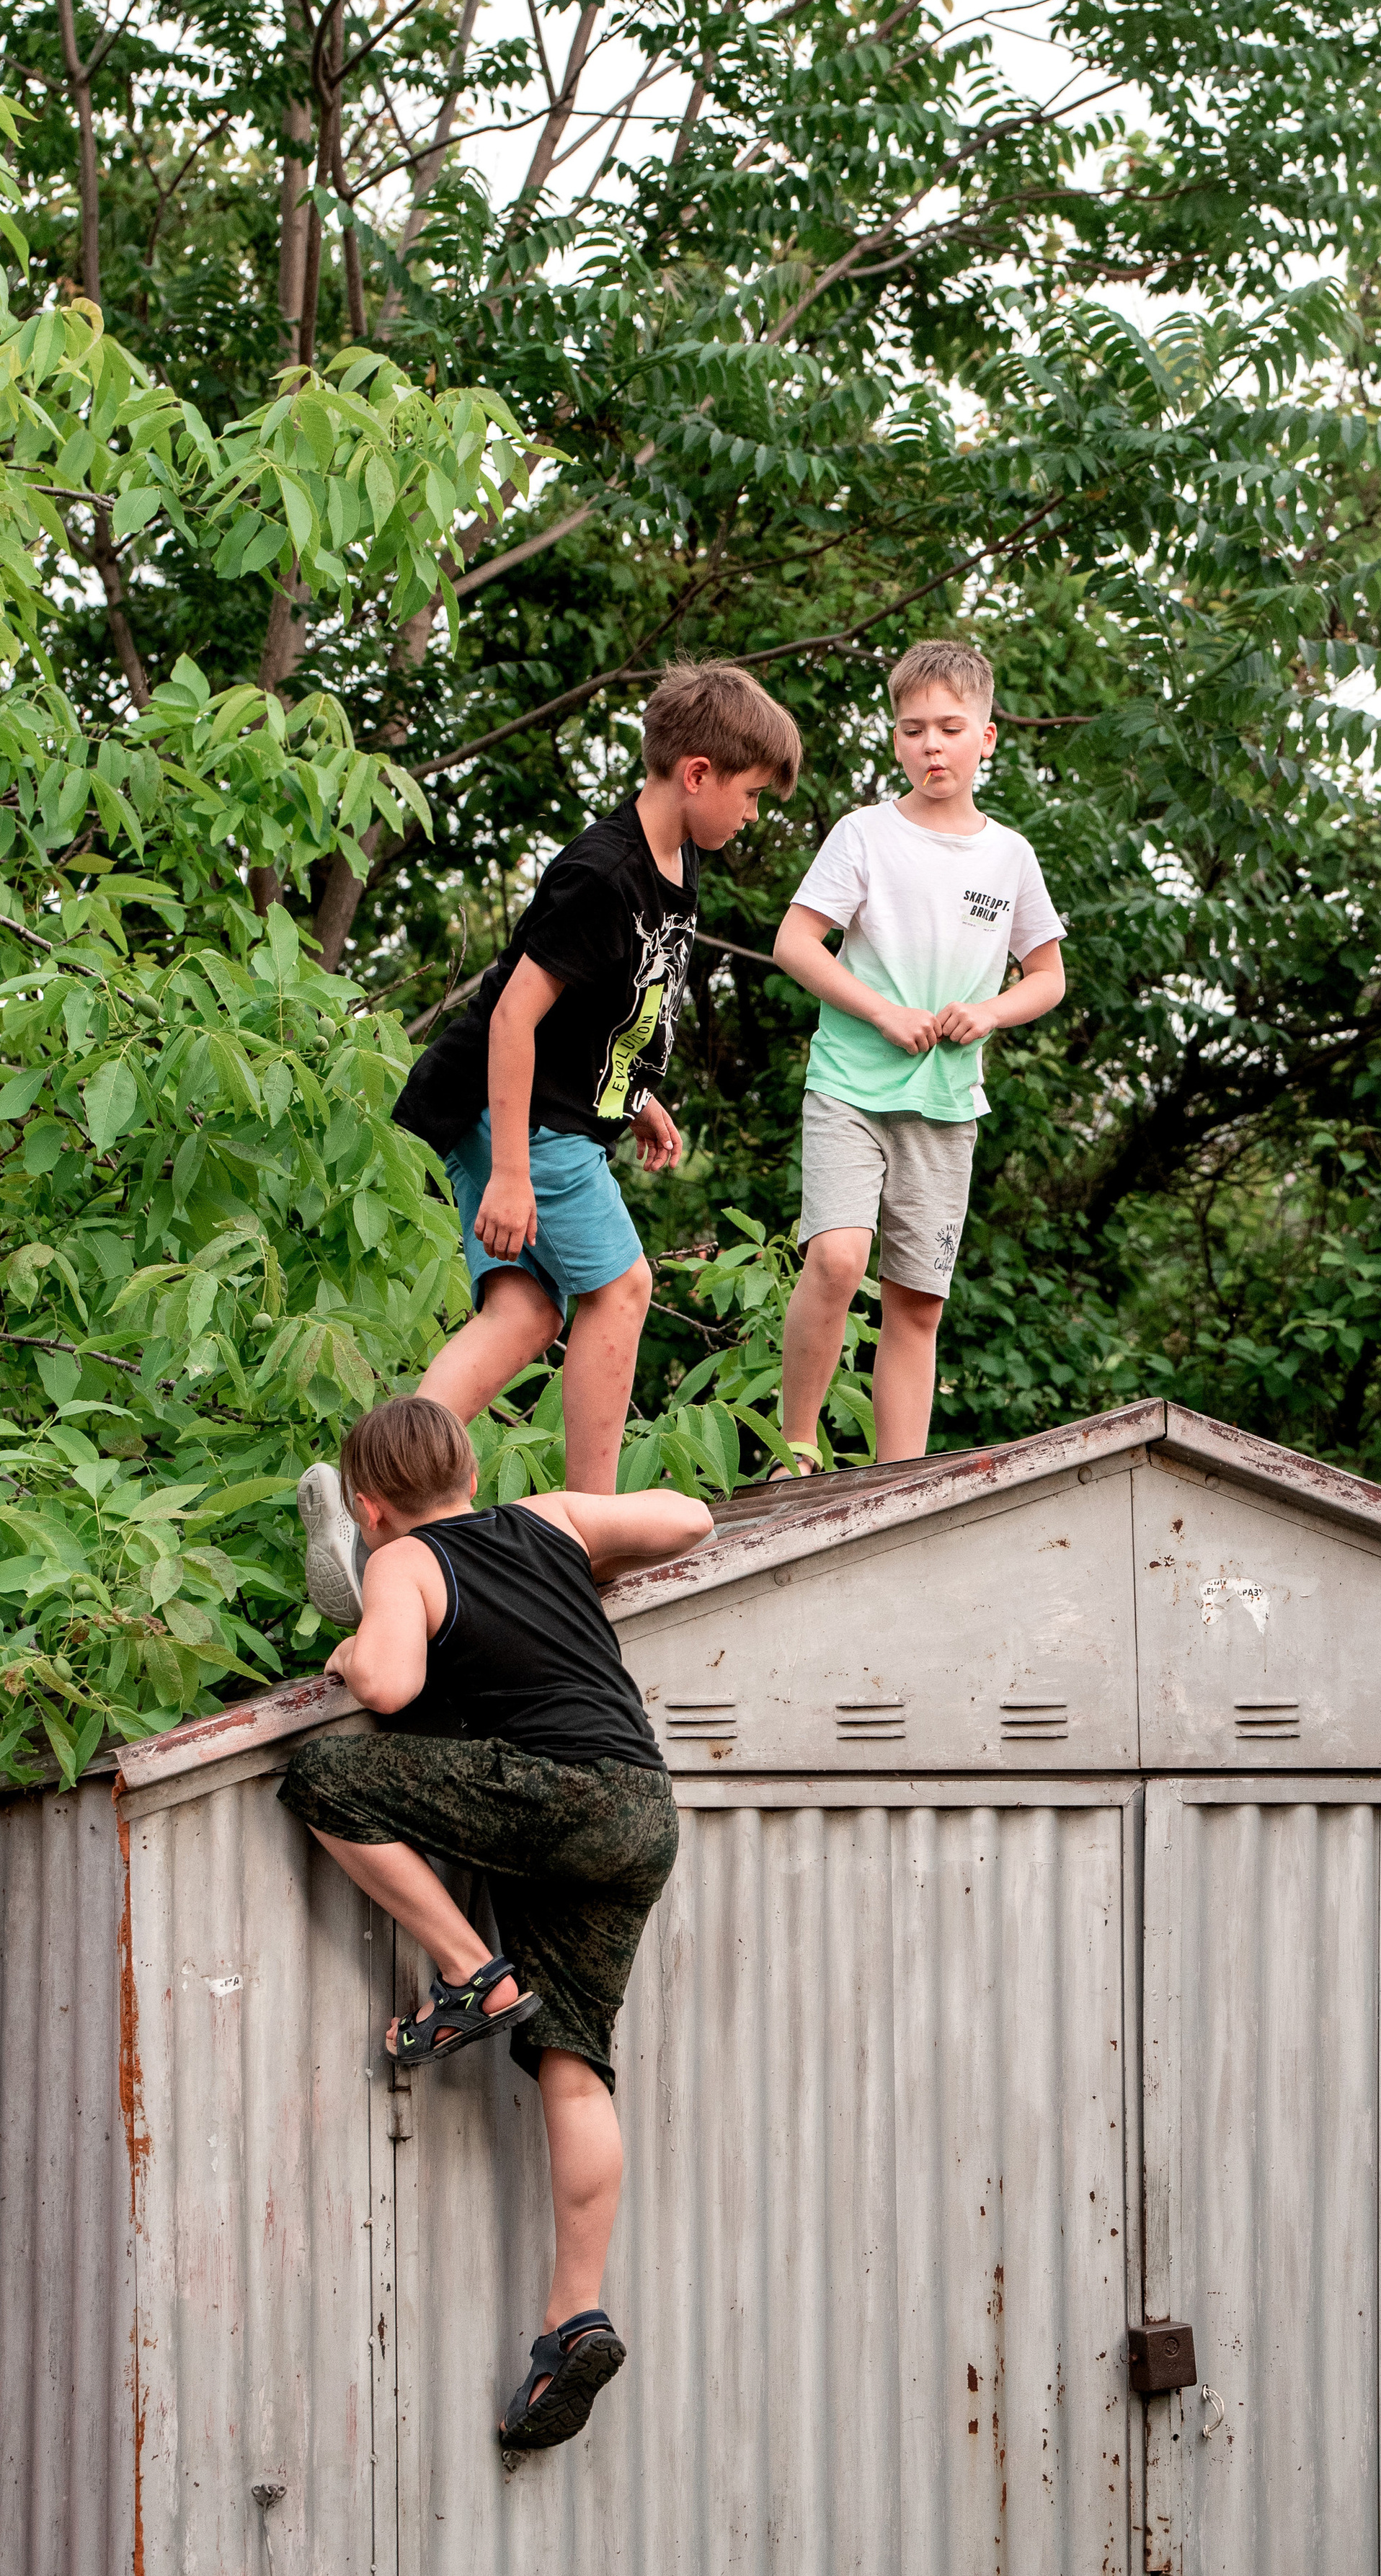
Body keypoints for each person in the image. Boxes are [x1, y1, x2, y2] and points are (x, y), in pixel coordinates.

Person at [298, 659, 801, 1624]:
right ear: (696, 773)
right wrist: (513, 1174)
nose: (751, 816)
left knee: (525, 1316)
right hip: (520, 1118)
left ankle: (371, 1516)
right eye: (749, 795)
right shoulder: (602, 873)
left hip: (551, 1111)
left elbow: (611, 1007)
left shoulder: (676, 864)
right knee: (623, 1287)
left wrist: (636, 1094)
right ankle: (590, 1528)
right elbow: (513, 1016)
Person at [277, 1395, 712, 2453]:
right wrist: (585, 1558)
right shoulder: (551, 1517)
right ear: (472, 1472)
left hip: (553, 1792)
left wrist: (350, 1652)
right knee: (573, 2057)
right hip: (641, 1810)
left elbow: (390, 1685)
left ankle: (471, 1970)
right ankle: (575, 2316)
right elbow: (691, 1517)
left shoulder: (404, 1560)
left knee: (325, 1774)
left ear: (367, 1507)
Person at [771, 639, 1065, 1466]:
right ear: (896, 740)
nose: (931, 745)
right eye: (912, 730)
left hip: (944, 1105)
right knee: (837, 1260)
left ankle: (900, 1484)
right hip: (849, 1087)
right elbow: (794, 942)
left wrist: (989, 1012)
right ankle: (793, 1451)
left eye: (949, 728)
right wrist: (882, 1013)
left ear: (986, 738)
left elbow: (1047, 977)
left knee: (918, 1303)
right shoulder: (864, 834)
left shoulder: (1009, 855)